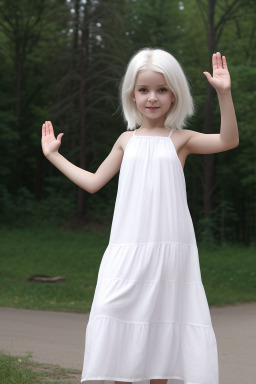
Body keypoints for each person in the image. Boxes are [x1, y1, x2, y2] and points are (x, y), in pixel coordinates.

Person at [41, 48, 239, 384]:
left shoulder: (182, 140)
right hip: (126, 249)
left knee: (163, 329)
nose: (152, 98)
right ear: (132, 95)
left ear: (175, 94)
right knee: (115, 314)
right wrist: (54, 156)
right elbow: (92, 182)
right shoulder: (125, 140)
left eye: (162, 90)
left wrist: (224, 93)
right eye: (144, 90)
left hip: (169, 253)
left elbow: (228, 140)